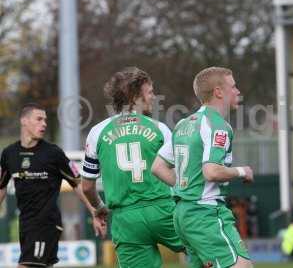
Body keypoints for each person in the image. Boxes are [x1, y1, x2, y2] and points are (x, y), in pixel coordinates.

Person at [81, 68, 184, 268]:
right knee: (207, 251)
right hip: (164, 210)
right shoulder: (160, 129)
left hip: (125, 220)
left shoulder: (97, 132)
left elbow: (86, 187)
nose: (154, 97)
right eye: (150, 92)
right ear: (135, 95)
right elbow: (180, 175)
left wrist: (99, 207)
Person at [152, 67, 254, 268]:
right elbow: (212, 171)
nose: (238, 91)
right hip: (205, 213)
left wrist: (187, 188)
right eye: (233, 86)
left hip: (183, 215)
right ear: (218, 91)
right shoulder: (218, 125)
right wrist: (243, 171)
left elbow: (158, 167)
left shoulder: (184, 124)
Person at [0, 103, 105, 268]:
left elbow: (77, 184)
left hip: (45, 224)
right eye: (39, 119)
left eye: (45, 120)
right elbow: (2, 186)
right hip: (25, 225)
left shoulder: (53, 153)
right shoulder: (9, 154)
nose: (44, 124)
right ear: (24, 121)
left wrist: (94, 211)